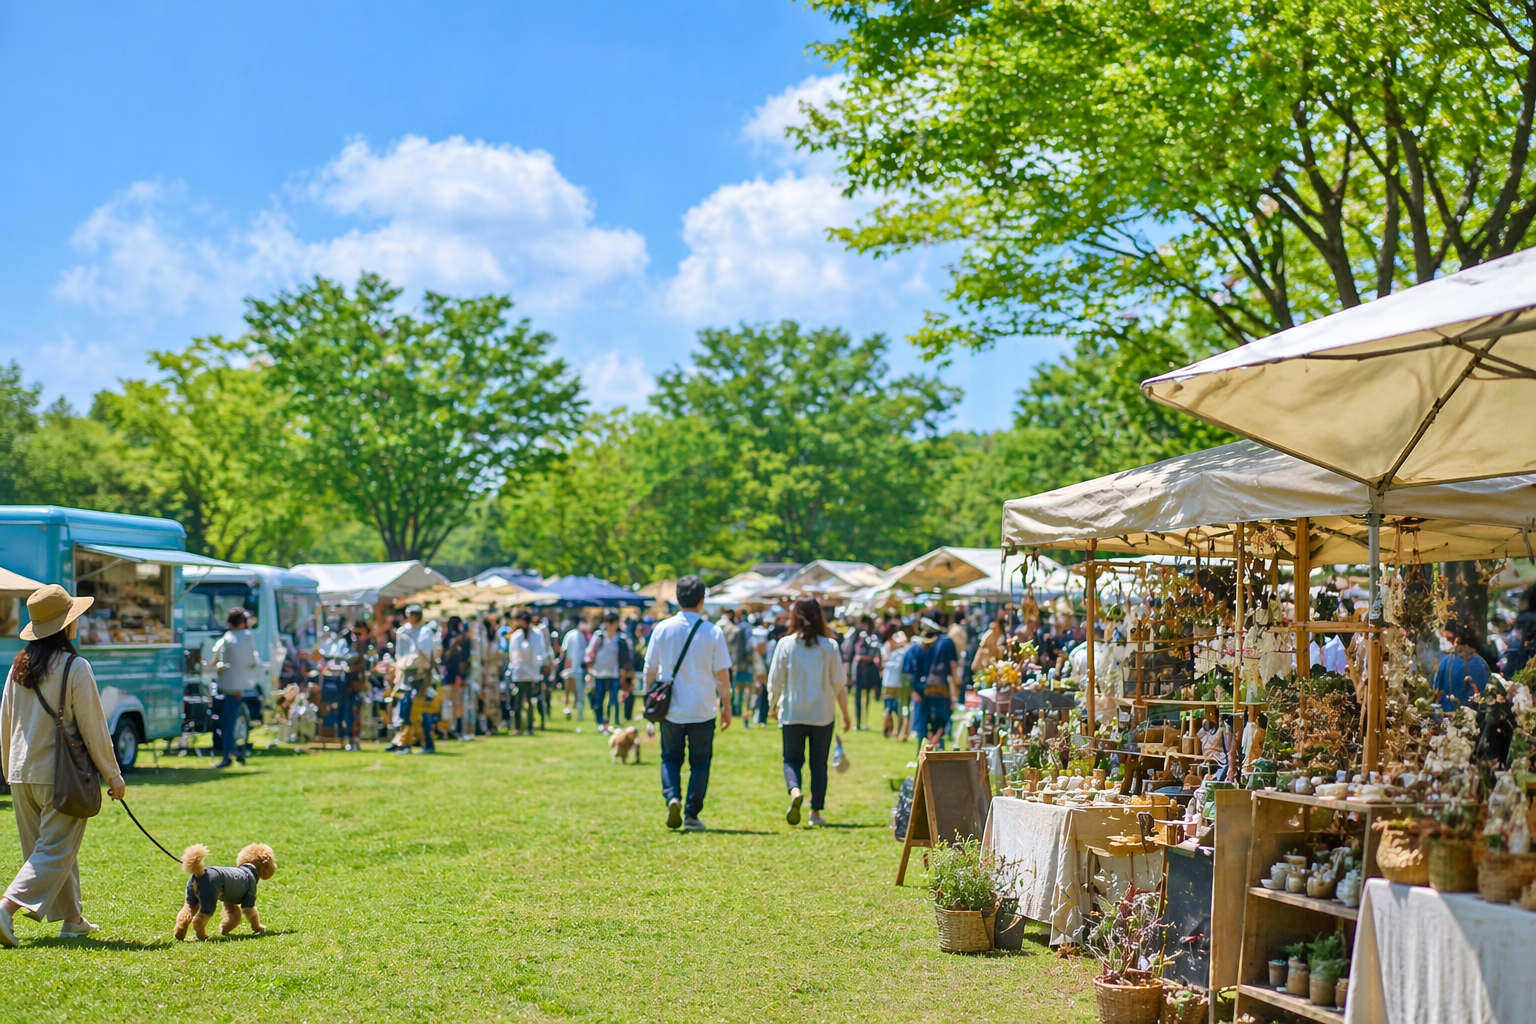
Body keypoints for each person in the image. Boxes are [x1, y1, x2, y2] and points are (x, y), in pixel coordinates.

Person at [0, 584, 128, 945]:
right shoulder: (75, 666)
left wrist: (9, 769)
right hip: (60, 774)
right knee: (55, 850)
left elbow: (5, 720)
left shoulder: (18, 666)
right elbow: (93, 726)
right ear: (66, 625)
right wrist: (113, 774)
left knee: (51, 850)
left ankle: (73, 920)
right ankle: (5, 909)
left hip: (21, 772)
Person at [645, 575, 732, 831]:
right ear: (702, 600)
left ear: (677, 599)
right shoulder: (713, 631)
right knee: (700, 762)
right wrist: (726, 704)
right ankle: (692, 814)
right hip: (703, 707)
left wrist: (648, 697)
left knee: (670, 758)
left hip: (670, 707)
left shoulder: (662, 628)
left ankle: (673, 797)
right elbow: (722, 674)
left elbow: (650, 669)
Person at [768, 597, 852, 827]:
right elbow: (838, 684)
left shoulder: (785, 644)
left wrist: (771, 705)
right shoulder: (830, 646)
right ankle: (815, 812)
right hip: (822, 714)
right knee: (819, 764)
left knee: (792, 760)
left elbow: (775, 681)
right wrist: (845, 712)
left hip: (793, 712)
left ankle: (795, 791)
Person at [209, 607, 261, 767]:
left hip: (233, 687)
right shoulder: (242, 637)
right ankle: (235, 752)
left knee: (228, 722)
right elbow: (252, 662)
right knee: (229, 721)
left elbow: (232, 661)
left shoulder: (234, 637)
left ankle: (230, 754)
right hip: (236, 686)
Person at [585, 611, 633, 733]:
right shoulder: (599, 636)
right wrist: (589, 670)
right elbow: (590, 653)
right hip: (599, 673)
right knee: (599, 699)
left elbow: (626, 657)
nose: (611, 625)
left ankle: (613, 721)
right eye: (609, 622)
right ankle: (601, 722)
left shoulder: (621, 639)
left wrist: (625, 672)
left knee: (614, 699)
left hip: (614, 674)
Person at [506, 610, 549, 736]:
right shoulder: (516, 635)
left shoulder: (536, 634)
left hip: (532, 671)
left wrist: (538, 666)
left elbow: (539, 652)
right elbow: (513, 654)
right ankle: (518, 727)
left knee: (530, 700)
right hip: (519, 671)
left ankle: (530, 727)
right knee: (518, 701)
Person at [1434, 620, 1491, 711]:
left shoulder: (1446, 661)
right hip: (1479, 713)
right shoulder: (1481, 662)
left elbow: (1436, 688)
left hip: (1451, 714)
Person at [721, 610, 753, 724]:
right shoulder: (742, 629)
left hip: (736, 663)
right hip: (742, 664)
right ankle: (739, 710)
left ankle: (737, 710)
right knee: (743, 690)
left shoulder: (735, 629)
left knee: (737, 689)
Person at [880, 629, 911, 740]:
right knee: (890, 708)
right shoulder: (889, 648)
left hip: (896, 683)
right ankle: (889, 729)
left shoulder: (903, 651)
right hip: (891, 682)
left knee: (895, 708)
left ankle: (896, 731)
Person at [561, 618, 592, 724]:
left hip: (577, 669)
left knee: (576, 692)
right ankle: (572, 711)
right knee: (573, 692)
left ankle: (577, 713)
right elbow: (566, 654)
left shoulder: (584, 636)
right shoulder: (574, 635)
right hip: (574, 669)